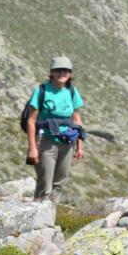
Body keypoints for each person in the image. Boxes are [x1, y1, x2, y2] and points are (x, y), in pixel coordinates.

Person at [24, 56, 85, 203]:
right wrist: (32, 148)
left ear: (70, 73)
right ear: (51, 72)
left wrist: (79, 146)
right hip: (46, 141)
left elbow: (76, 120)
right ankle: (36, 217)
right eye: (58, 70)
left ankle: (50, 217)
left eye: (66, 70)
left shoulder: (71, 91)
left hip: (67, 142)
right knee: (45, 183)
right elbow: (31, 121)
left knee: (59, 182)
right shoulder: (42, 91)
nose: (62, 73)